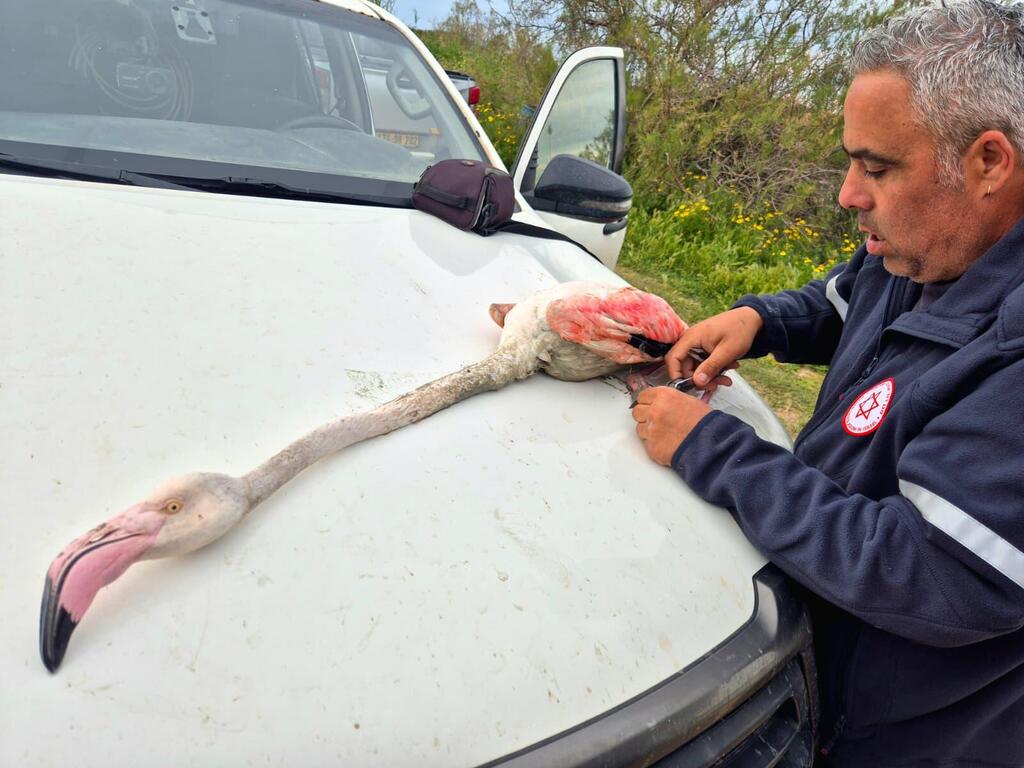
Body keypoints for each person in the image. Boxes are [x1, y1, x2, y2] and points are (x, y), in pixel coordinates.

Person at [630, 1, 1024, 764]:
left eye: (877, 168)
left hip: (903, 739)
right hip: (814, 666)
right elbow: (848, 301)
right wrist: (762, 320)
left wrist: (716, 450)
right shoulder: (929, 244)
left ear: (988, 162)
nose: (849, 194)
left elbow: (933, 574)